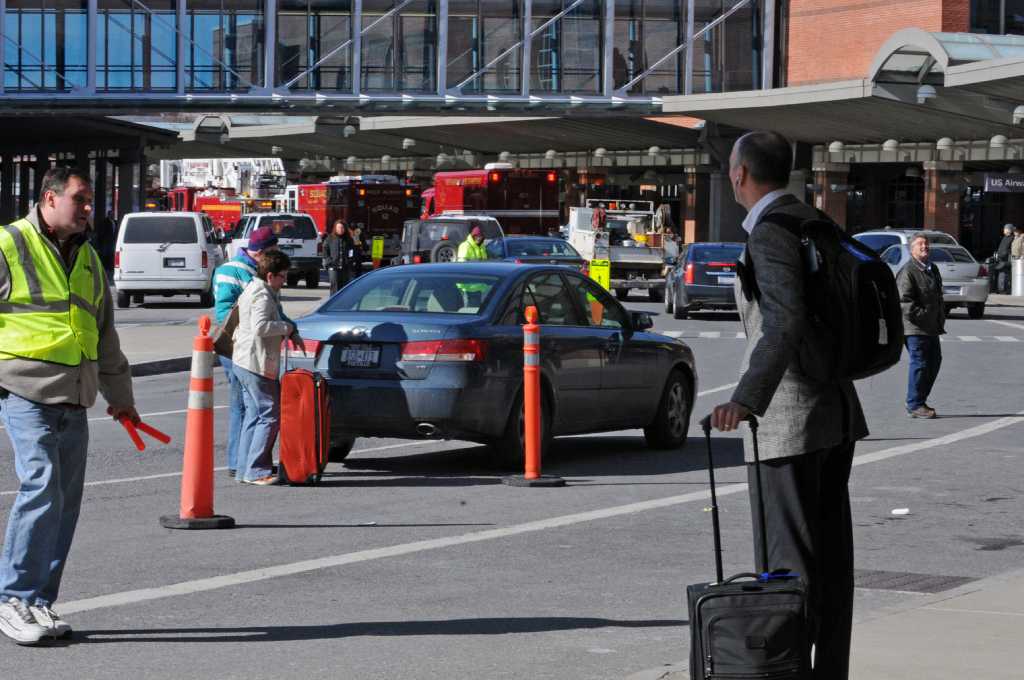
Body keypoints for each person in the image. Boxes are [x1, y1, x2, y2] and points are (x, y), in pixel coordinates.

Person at [709, 131, 868, 680]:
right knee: (829, 566)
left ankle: (788, 672)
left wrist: (745, 400)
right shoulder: (814, 221)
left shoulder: (771, 235)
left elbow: (783, 322)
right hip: (836, 412)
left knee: (788, 569)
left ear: (741, 174)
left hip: (790, 422)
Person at [0, 167, 139, 645]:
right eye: (79, 198)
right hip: (24, 390)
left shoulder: (89, 261)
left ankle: (39, 601)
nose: (87, 208)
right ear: (48, 197)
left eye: (90, 200)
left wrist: (121, 400)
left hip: (75, 396)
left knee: (64, 504)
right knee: (41, 486)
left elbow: (105, 337)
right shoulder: (8, 245)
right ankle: (12, 598)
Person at [213, 226, 297, 478]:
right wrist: (284, 327)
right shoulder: (235, 271)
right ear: (263, 252)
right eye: (274, 249)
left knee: (251, 408)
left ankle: (244, 464)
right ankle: (244, 464)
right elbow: (226, 311)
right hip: (242, 349)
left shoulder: (254, 274)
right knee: (248, 407)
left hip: (245, 348)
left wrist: (291, 328)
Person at [232, 250, 296, 486]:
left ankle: (244, 468)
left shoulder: (254, 287)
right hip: (255, 362)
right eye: (282, 276)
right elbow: (261, 327)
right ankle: (257, 470)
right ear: (270, 276)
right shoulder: (262, 294)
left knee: (254, 414)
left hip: (243, 359)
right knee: (269, 415)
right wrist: (286, 327)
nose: (285, 280)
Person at [897, 233, 945, 419]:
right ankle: (914, 403)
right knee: (921, 363)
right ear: (912, 249)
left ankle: (920, 400)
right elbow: (904, 302)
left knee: (934, 362)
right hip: (915, 328)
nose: (924, 247)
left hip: (932, 327)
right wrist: (923, 315)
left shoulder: (932, 269)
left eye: (926, 244)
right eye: (920, 244)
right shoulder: (908, 271)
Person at [323, 219, 353, 294]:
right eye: (339, 228)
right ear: (335, 228)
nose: (340, 229)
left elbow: (351, 251)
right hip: (333, 268)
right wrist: (329, 261)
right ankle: (333, 304)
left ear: (345, 229)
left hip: (345, 268)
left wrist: (350, 260)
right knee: (334, 287)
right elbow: (325, 251)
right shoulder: (329, 238)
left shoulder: (349, 239)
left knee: (345, 288)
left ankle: (343, 304)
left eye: (342, 228)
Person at [995, 224, 1014, 294]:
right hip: (1001, 259)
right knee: (1002, 274)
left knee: (1005, 275)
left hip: (1006, 259)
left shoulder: (1012, 238)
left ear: (1009, 230)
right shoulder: (1005, 237)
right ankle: (1001, 289)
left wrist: (1003, 255)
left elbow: (1009, 249)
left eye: (1005, 229)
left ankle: (1004, 289)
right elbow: (1001, 248)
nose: (1004, 230)